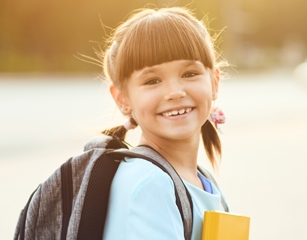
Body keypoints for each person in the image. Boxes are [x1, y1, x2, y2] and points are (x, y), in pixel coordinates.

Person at [97, 7, 229, 240]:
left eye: (189, 74)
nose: (175, 92)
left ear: (214, 82)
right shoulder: (151, 184)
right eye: (152, 80)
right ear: (122, 99)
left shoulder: (202, 179)